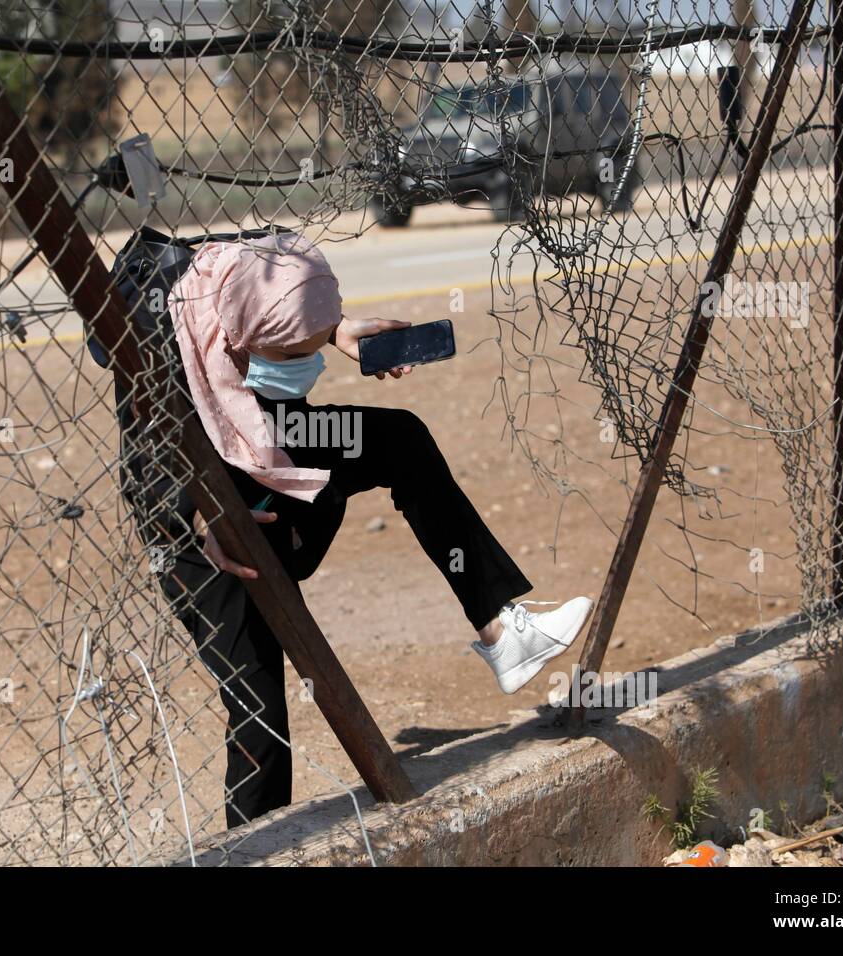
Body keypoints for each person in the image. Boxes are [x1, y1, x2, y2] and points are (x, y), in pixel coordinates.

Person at [151, 231, 592, 828]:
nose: (308, 368)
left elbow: (282, 307)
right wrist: (200, 514)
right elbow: (143, 464)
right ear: (239, 336)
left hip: (267, 444)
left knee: (399, 439)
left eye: (313, 350)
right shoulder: (157, 343)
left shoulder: (240, 279)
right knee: (259, 711)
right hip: (202, 527)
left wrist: (338, 332)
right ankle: (252, 847)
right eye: (293, 355)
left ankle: (500, 631)